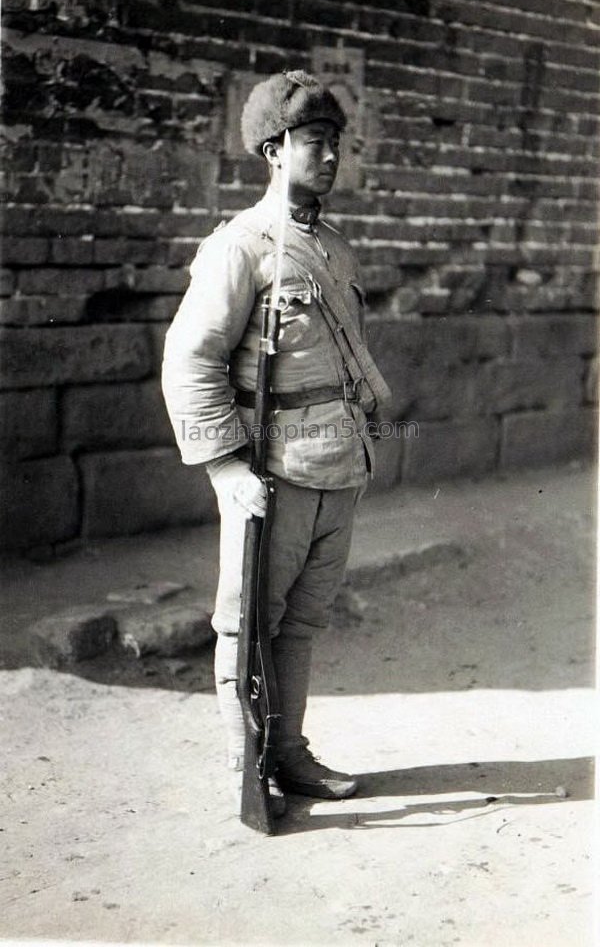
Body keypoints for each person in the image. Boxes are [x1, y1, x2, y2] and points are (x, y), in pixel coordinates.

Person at [162, 69, 391, 819]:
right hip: (274, 467)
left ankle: (289, 753)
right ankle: (247, 765)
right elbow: (191, 359)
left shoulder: (336, 248)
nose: (329, 157)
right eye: (314, 143)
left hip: (337, 462)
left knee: (302, 621)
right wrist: (226, 468)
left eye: (335, 144)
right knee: (247, 618)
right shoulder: (241, 248)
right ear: (273, 149)